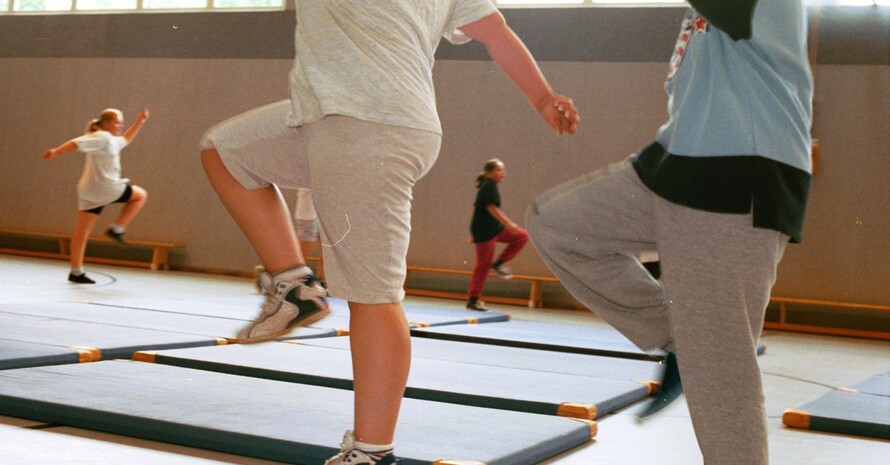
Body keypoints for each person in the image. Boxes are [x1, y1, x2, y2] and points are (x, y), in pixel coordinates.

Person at [199, 2, 579, 464]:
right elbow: (495, 31)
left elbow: (495, 29)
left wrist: (542, 97)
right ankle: (294, 286)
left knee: (373, 295)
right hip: (329, 115)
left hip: (370, 125)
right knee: (226, 151)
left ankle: (372, 452)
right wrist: (541, 97)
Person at [526, 1, 812, 464]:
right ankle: (682, 336)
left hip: (737, 172)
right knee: (557, 225)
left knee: (720, 380)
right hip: (673, 163)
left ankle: (699, 346)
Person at [43, 108, 150, 284]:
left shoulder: (111, 141)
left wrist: (140, 122)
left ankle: (76, 271)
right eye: (118, 122)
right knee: (140, 195)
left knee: (82, 230)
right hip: (106, 187)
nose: (121, 125)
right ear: (106, 123)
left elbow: (126, 139)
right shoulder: (102, 137)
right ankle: (117, 228)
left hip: (89, 191)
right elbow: (76, 143)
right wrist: (56, 152)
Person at [466, 158, 529, 311]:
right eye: (499, 170)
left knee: (522, 236)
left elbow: (476, 209)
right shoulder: (489, 185)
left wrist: (473, 231)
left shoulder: (488, 185)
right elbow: (492, 208)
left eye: (503, 170)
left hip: (492, 227)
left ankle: (499, 263)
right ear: (489, 172)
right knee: (483, 264)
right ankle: (473, 299)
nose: (503, 173)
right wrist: (509, 224)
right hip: (484, 230)